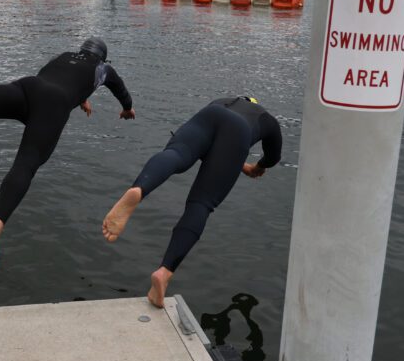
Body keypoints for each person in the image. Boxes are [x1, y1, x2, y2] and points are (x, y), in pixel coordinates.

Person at [0, 0, 136, 276]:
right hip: (53, 105)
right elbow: (120, 90)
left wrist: (80, 96)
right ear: (102, 57)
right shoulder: (103, 68)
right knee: (27, 163)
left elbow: (61, 79)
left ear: (82, 49)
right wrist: (128, 108)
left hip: (30, 88)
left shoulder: (65, 56)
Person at [102, 96, 282, 307]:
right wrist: (257, 166)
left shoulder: (222, 100)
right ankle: (164, 273)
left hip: (207, 117)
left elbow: (207, 145)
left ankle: (139, 189)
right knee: (201, 204)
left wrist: (234, 161)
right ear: (256, 103)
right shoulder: (266, 119)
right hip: (238, 135)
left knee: (175, 154)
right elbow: (273, 156)